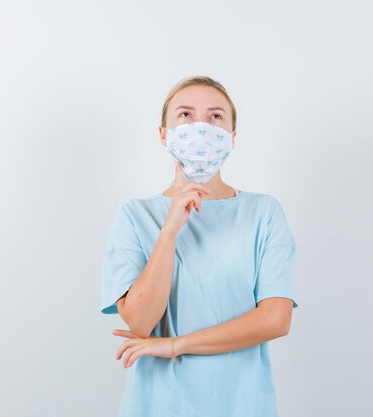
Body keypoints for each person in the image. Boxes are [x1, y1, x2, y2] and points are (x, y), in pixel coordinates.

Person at [100, 75, 299, 417]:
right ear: (164, 133)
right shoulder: (136, 216)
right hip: (158, 406)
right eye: (186, 115)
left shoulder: (263, 213)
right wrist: (170, 230)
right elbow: (140, 323)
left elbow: (275, 320)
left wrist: (177, 345)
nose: (201, 127)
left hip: (242, 405)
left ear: (231, 137)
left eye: (216, 117)